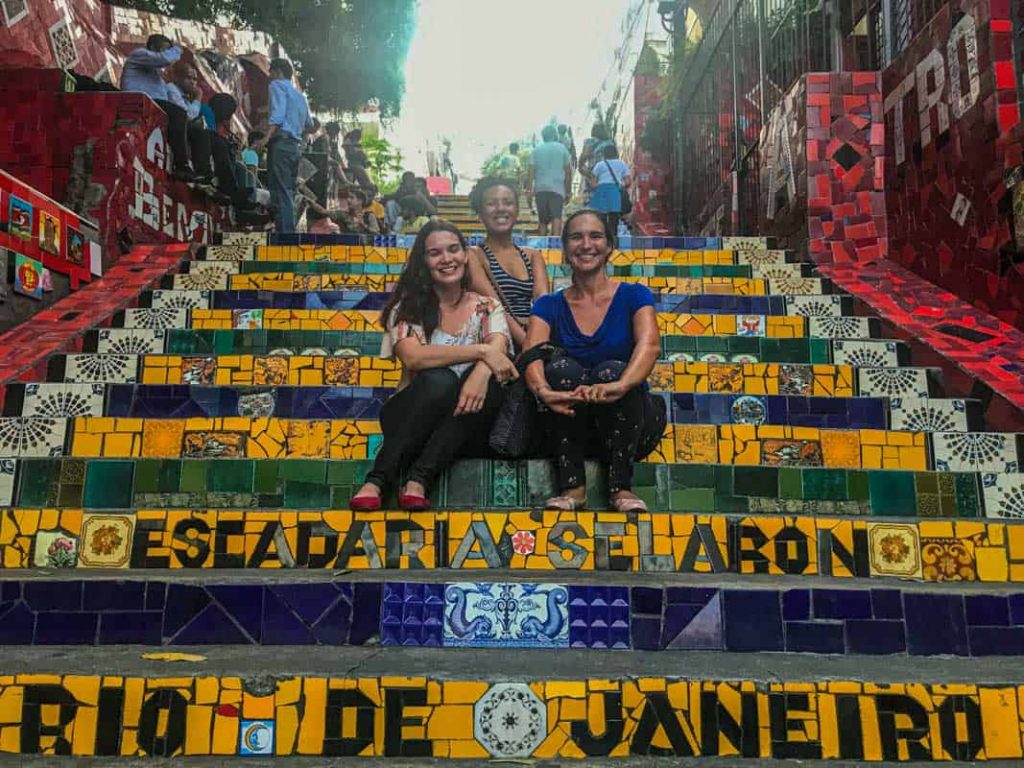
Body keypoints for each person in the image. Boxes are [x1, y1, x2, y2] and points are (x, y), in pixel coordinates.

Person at [349, 220, 518, 512]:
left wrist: (481, 371)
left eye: (453, 249)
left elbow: (499, 348)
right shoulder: (408, 307)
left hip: (466, 422)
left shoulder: (488, 306)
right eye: (435, 253)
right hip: (411, 418)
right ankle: (380, 479)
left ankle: (417, 479)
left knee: (488, 383)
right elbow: (414, 357)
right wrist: (481, 352)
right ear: (423, 261)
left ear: (466, 255)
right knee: (440, 380)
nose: (447, 259)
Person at [523, 209, 665, 512]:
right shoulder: (548, 305)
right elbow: (531, 355)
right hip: (564, 426)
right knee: (561, 370)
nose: (586, 244)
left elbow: (650, 345)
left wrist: (621, 385)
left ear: (610, 246)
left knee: (612, 370)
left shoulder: (634, 295)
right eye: (576, 236)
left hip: (628, 423)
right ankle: (572, 488)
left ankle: (621, 488)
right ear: (565, 248)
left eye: (595, 236)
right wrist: (544, 391)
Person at [467, 176, 548, 350]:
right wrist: (530, 348)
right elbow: (496, 308)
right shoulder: (473, 255)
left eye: (508, 202)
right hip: (495, 339)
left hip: (534, 335)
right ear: (480, 212)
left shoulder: (532, 256)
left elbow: (543, 305)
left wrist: (536, 340)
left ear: (517, 210)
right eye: (491, 203)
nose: (500, 208)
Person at [120, 34, 198, 180]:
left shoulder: (158, 78)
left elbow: (169, 101)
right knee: (177, 113)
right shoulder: (138, 55)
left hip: (154, 105)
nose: (168, 53)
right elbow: (164, 59)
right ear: (152, 48)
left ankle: (202, 174)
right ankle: (180, 166)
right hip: (137, 101)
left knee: (196, 131)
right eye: (164, 49)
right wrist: (177, 49)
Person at [253, 58, 313, 233]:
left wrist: (265, 140)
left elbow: (277, 116)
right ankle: (286, 232)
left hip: (281, 143)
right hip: (294, 146)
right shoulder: (299, 96)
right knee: (287, 190)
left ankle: (285, 236)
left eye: (271, 72)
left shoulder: (276, 86)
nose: (270, 77)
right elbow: (309, 123)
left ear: (277, 72)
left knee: (280, 191)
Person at [527, 125, 572, 236]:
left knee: (542, 219)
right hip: (557, 189)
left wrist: (529, 190)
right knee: (556, 216)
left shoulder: (536, 150)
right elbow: (568, 172)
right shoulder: (562, 148)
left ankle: (542, 243)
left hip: (540, 188)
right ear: (555, 135)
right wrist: (568, 190)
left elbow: (531, 172)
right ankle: (555, 242)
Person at [587, 144, 632, 234]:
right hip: (614, 191)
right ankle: (613, 242)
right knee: (614, 218)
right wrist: (621, 187)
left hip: (602, 191)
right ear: (616, 153)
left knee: (601, 218)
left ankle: (601, 240)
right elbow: (628, 181)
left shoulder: (600, 165)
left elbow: (592, 182)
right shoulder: (621, 164)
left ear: (604, 154)